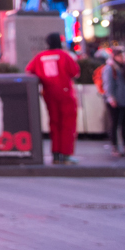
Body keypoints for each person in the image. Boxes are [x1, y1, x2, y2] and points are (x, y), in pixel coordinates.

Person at [25, 32, 80, 164]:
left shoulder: (40, 57)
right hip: (65, 94)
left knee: (54, 123)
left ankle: (55, 154)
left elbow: (29, 70)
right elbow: (74, 72)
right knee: (67, 124)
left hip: (48, 94)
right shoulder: (64, 56)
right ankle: (66, 154)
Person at [101, 46, 125, 157]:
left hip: (123, 99)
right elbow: (108, 84)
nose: (122, 57)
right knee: (114, 124)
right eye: (120, 55)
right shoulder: (110, 68)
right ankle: (115, 146)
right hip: (115, 100)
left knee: (124, 124)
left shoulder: (122, 66)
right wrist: (111, 97)